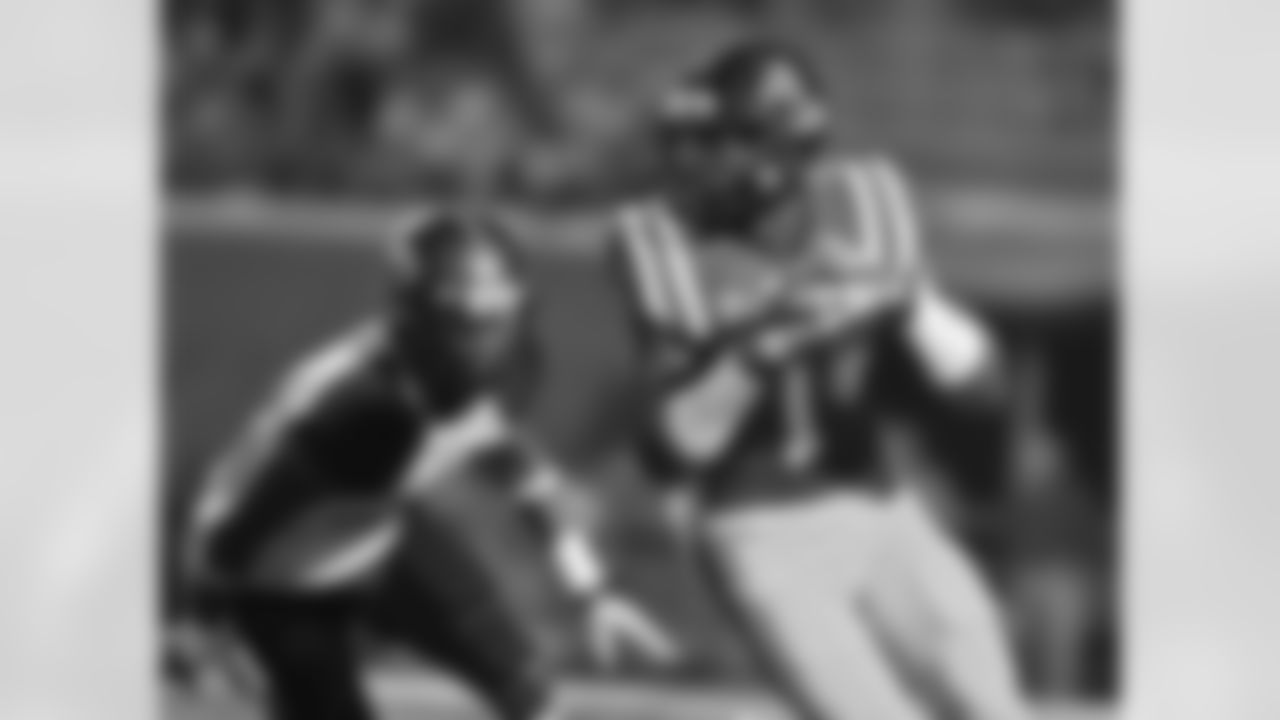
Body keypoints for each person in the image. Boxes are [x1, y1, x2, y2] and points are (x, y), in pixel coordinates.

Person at [608, 39, 1030, 720]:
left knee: (994, 704)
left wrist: (907, 300)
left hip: (884, 510)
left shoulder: (865, 204)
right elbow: (670, 454)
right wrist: (761, 349)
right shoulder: (662, 243)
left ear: (779, 152)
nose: (695, 160)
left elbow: (986, 390)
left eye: (720, 141)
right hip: (760, 528)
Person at [171, 211, 676, 720]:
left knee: (532, 693)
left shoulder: (478, 374)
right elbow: (237, 525)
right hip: (278, 576)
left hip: (376, 529)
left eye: (498, 317)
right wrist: (206, 622)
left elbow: (524, 479)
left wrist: (592, 590)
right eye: (464, 323)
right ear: (419, 318)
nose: (486, 342)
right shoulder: (365, 405)